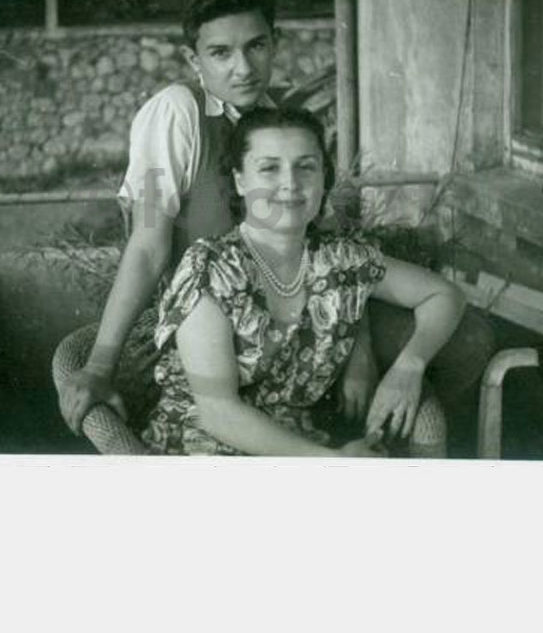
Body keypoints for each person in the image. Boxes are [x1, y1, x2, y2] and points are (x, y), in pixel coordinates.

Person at [54, 0, 377, 437]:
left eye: (256, 46)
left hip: (286, 335)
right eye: (221, 53)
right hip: (200, 335)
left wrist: (360, 353)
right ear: (194, 58)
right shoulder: (175, 112)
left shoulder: (278, 123)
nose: (243, 68)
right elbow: (147, 244)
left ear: (275, 42)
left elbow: (323, 252)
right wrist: (101, 366)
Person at [139, 107, 466, 456]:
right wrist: (334, 462)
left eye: (306, 166)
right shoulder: (211, 269)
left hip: (301, 449)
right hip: (202, 452)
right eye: (269, 168)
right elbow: (219, 413)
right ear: (240, 181)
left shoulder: (342, 259)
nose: (290, 183)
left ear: (324, 177)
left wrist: (409, 365)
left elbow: (444, 295)